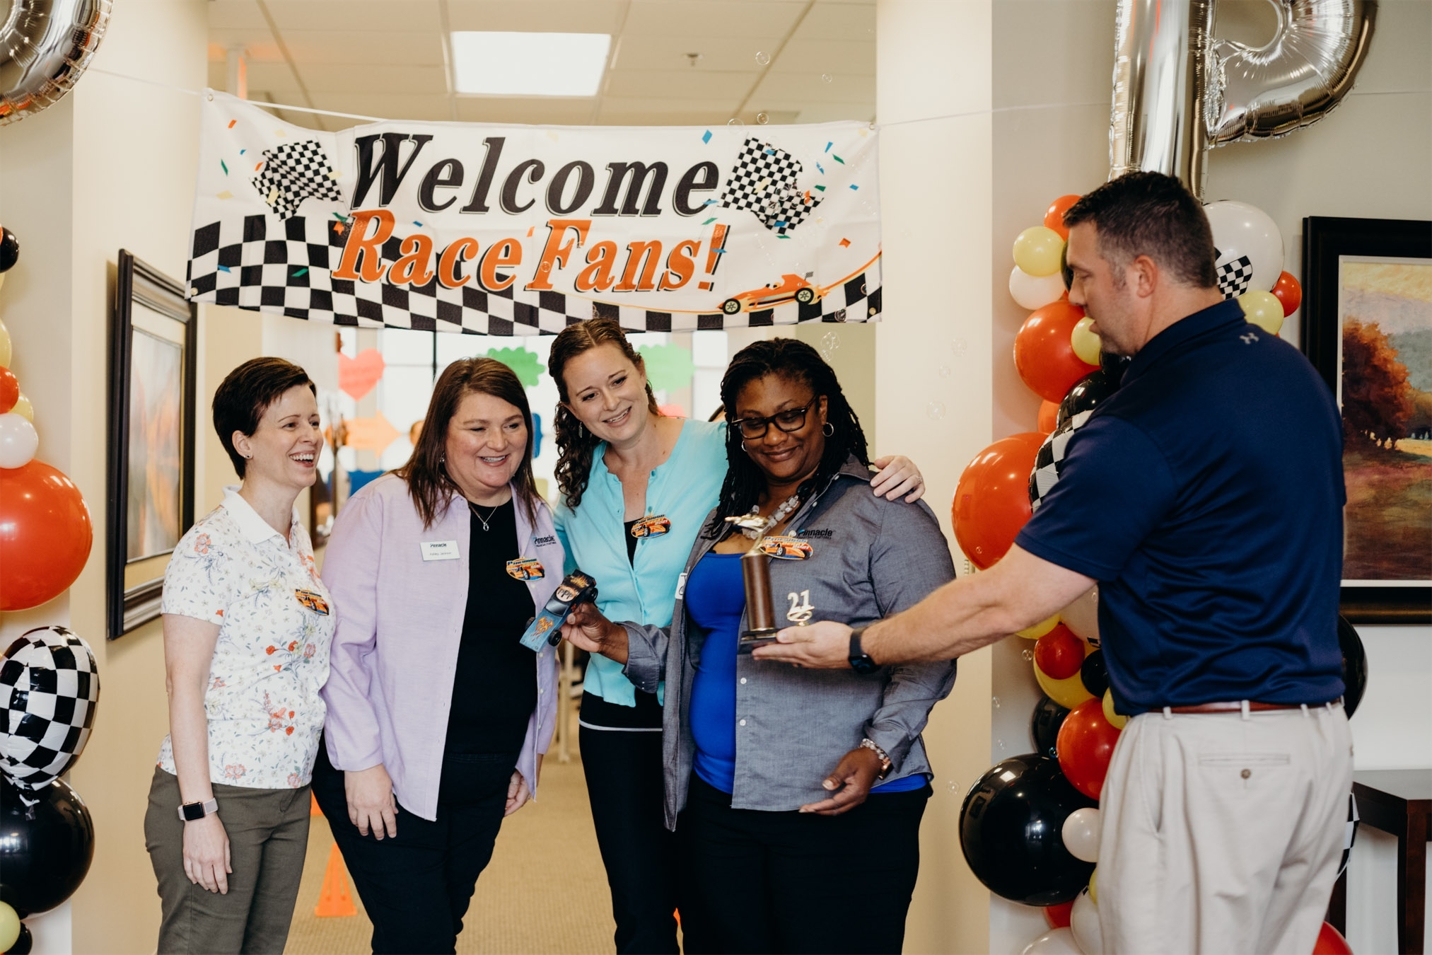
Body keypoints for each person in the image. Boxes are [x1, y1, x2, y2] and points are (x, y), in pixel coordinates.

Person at [759, 172, 1352, 954]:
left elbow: (1006, 599)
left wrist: (860, 643)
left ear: (1142, 274)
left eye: (1083, 274)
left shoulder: (1149, 412)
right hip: (1313, 748)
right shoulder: (1291, 376)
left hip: (1210, 756)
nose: (1075, 298)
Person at [562, 338, 957, 955]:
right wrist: (613, 639)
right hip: (719, 799)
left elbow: (932, 641)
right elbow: (701, 648)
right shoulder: (732, 514)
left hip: (832, 798)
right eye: (753, 423)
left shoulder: (881, 510)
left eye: (791, 415)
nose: (775, 436)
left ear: (823, 408)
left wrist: (881, 750)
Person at [313, 357, 563, 955]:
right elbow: (339, 646)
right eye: (476, 427)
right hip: (390, 774)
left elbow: (536, 644)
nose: (497, 442)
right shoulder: (384, 506)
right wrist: (362, 764)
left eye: (511, 424)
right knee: (419, 939)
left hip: (485, 773)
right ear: (441, 431)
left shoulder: (534, 517)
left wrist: (525, 755)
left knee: (433, 929)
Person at [144, 357, 333, 954]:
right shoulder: (208, 547)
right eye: (288, 425)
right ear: (243, 442)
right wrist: (198, 814)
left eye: (313, 420)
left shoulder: (295, 541)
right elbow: (185, 684)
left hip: (289, 789)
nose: (308, 437)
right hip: (219, 791)